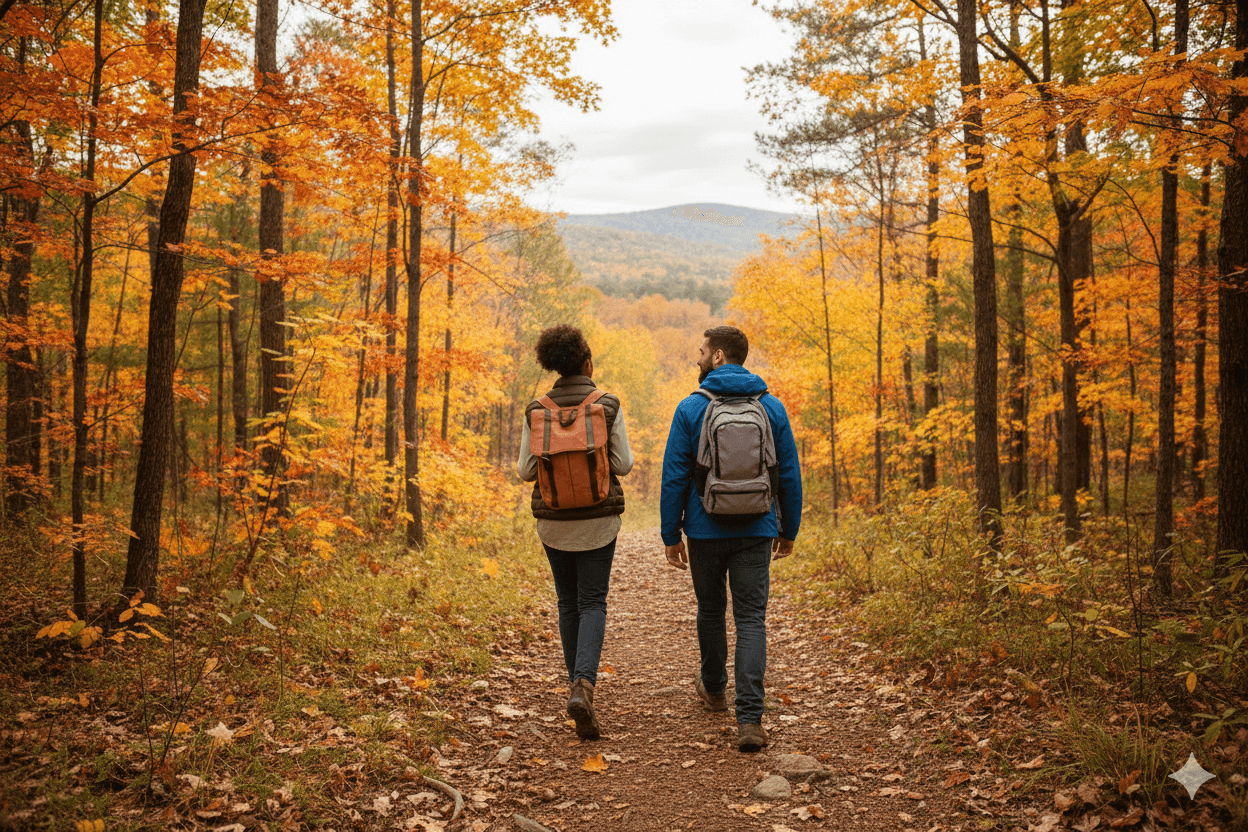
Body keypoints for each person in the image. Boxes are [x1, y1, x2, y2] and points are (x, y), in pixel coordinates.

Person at [660, 325, 802, 752]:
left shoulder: (690, 408)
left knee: (710, 608)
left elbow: (674, 476)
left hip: (704, 529)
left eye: (702, 351)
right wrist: (788, 528)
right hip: (758, 526)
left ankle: (715, 689)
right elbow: (789, 473)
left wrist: (672, 533)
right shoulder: (771, 407)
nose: (698, 358)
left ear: (719, 355)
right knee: (751, 619)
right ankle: (750, 719)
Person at [517, 325, 633, 739]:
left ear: (552, 366)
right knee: (593, 602)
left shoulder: (537, 409)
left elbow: (524, 471)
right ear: (587, 362)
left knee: (568, 602)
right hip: (599, 520)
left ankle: (576, 688)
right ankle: (584, 684)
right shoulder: (606, 405)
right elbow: (622, 465)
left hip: (553, 523)